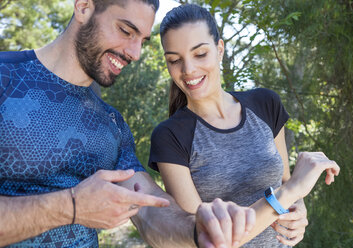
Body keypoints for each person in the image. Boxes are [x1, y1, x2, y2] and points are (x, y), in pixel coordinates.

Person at [0, 0, 259, 247]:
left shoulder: (111, 122)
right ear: (83, 7)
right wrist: (70, 207)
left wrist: (196, 229)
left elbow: (149, 210)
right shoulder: (6, 77)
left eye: (142, 41)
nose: (135, 53)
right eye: (126, 30)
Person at [149, 4, 340, 248]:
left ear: (219, 50)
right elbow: (205, 238)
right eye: (174, 60)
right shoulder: (170, 137)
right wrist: (290, 192)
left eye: (199, 54)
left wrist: (297, 214)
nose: (188, 70)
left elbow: (283, 179)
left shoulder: (265, 104)